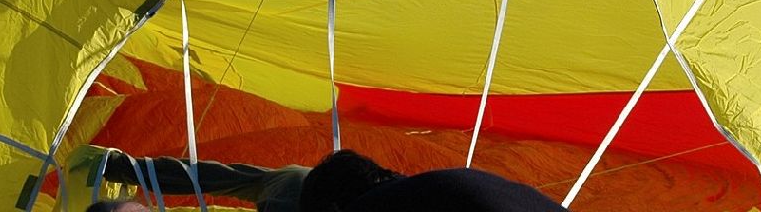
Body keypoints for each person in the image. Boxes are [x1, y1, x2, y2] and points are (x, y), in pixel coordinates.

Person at [67, 147, 566, 212]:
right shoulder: (449, 184)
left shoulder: (447, 184)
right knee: (245, 178)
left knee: (235, 177)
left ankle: (123, 169)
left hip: (302, 184)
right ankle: (125, 176)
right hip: (302, 186)